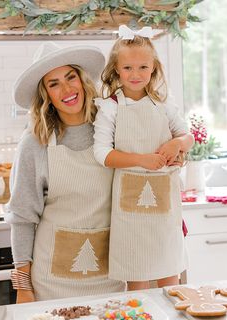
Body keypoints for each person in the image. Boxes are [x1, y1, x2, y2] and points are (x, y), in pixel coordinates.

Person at [5, 42, 126, 303]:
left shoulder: (113, 129)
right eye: (54, 83)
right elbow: (23, 219)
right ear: (45, 94)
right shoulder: (35, 143)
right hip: (51, 286)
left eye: (70, 77)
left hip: (113, 279)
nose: (67, 89)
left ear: (82, 80)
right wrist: (23, 289)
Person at [93, 25, 194, 291]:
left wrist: (176, 144)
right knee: (136, 276)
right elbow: (102, 154)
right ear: (116, 69)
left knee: (170, 274)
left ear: (153, 69)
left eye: (143, 67)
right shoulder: (110, 107)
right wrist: (142, 160)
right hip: (129, 209)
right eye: (127, 68)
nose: (135, 74)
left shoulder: (164, 102)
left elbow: (187, 137)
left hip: (165, 204)